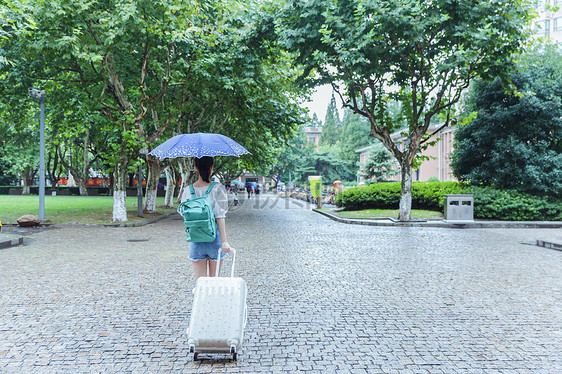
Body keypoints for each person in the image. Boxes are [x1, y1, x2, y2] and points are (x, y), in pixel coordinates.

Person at [181, 156, 230, 280]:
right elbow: (220, 217)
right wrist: (224, 242)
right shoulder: (218, 188)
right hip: (214, 239)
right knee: (214, 283)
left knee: (200, 284)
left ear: (196, 167)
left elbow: (184, 214)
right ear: (212, 167)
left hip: (195, 239)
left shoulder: (188, 190)